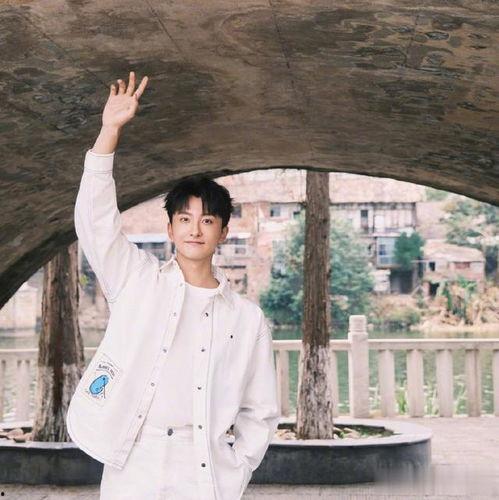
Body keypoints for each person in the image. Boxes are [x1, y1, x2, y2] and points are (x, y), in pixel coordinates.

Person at [65, 71, 280, 499]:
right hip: (134, 459)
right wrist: (109, 132)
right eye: (184, 219)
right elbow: (95, 224)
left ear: (222, 232)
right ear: (170, 228)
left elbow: (260, 411)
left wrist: (236, 470)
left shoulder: (246, 319)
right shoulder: (136, 280)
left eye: (207, 220)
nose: (195, 230)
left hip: (203, 468)